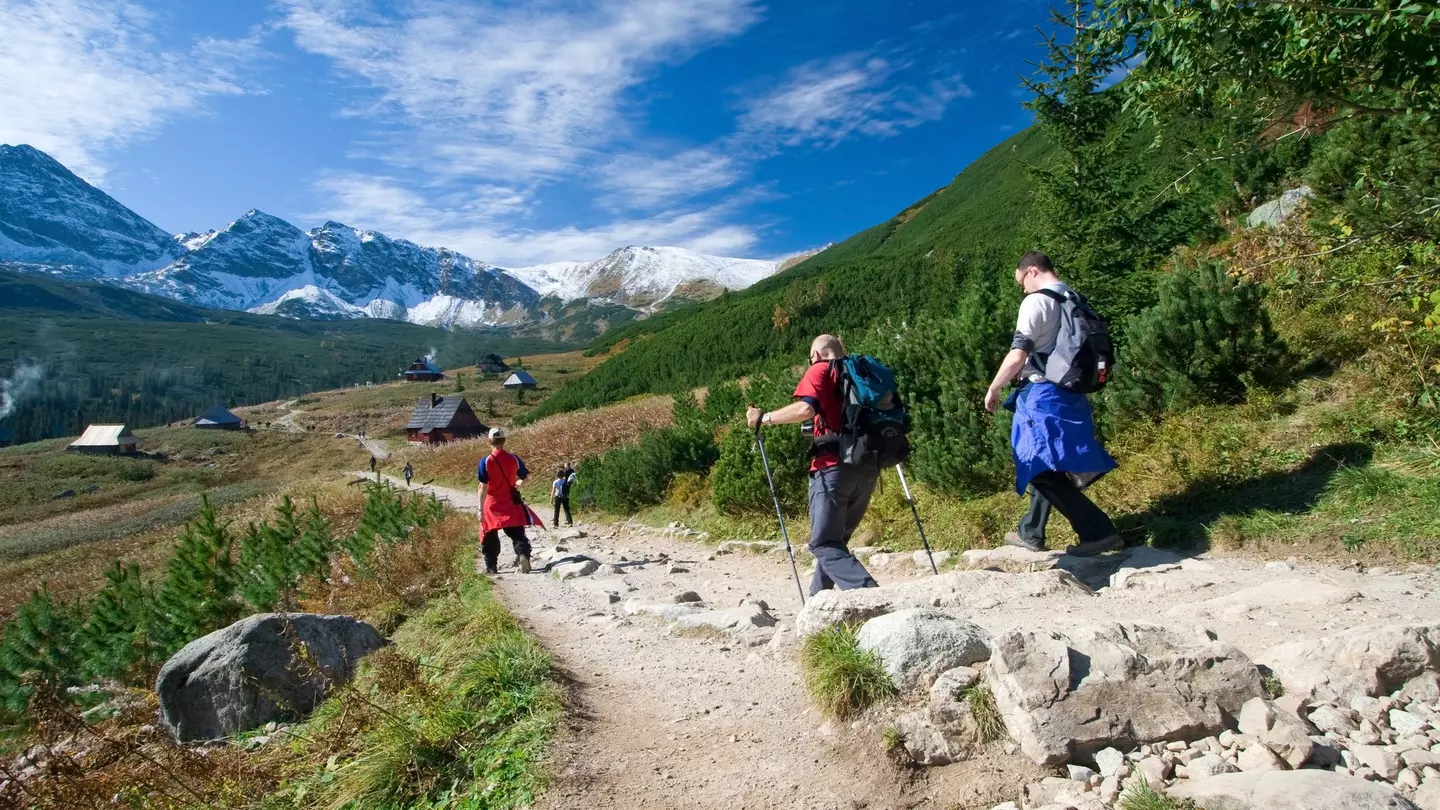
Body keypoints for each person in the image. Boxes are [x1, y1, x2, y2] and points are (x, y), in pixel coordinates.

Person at [983, 251, 1122, 557]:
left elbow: (1018, 353)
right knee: (1048, 462)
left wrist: (994, 387)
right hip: (1072, 392)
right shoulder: (1074, 297)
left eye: (1021, 281)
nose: (1022, 289)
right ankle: (1031, 532)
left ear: (1032, 271)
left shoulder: (1037, 301)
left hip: (1042, 394)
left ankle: (1099, 532)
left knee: (1038, 466)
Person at [747, 334, 879, 595]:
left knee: (823, 543)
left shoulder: (820, 369)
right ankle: (818, 603)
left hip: (832, 469)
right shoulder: (861, 372)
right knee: (834, 542)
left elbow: (806, 410)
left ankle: (872, 597)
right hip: (868, 467)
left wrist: (764, 418)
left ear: (816, 355)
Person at [476, 427, 537, 574]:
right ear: (504, 440)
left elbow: (482, 486)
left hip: (492, 504)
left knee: (489, 535)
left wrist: (480, 509)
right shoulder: (514, 459)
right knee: (517, 533)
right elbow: (525, 476)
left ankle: (491, 567)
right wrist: (517, 483)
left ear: (489, 441)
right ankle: (523, 554)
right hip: (510, 501)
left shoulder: (485, 462)